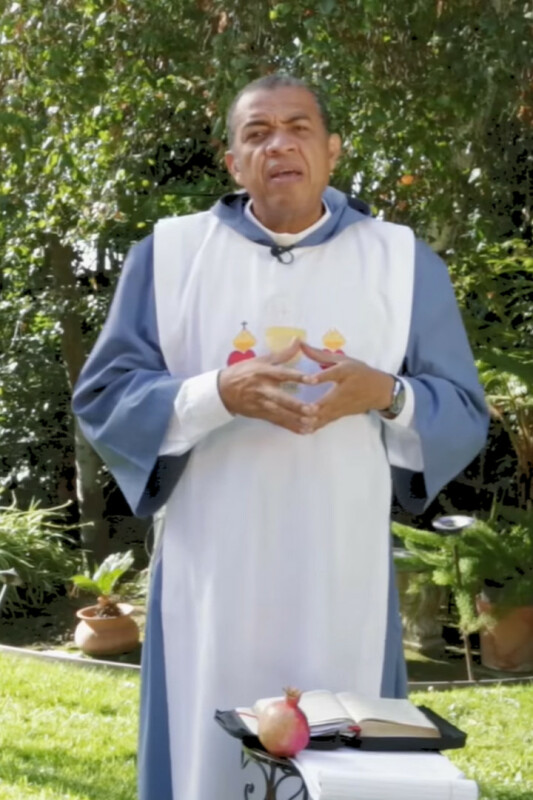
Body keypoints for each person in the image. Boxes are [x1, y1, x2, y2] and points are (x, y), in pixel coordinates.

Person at [73, 74, 489, 800]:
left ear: (332, 151)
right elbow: (105, 397)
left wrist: (386, 394)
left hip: (341, 559)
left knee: (347, 750)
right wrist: (216, 393)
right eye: (257, 133)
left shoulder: (400, 260)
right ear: (233, 162)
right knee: (204, 750)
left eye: (298, 128)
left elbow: (460, 408)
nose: (279, 145)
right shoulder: (168, 255)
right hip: (213, 558)